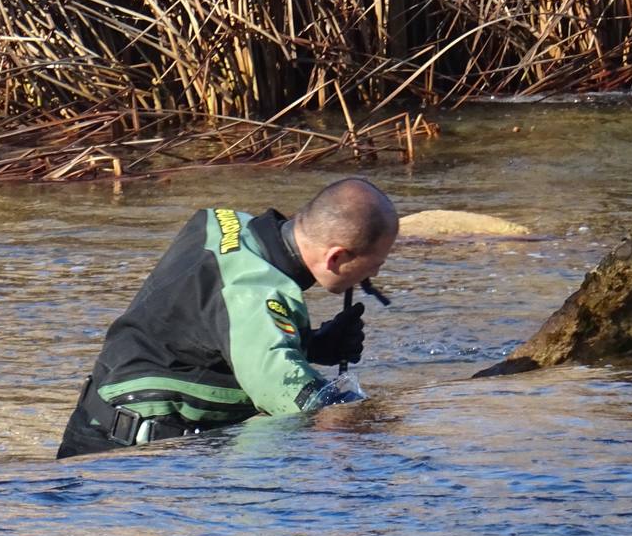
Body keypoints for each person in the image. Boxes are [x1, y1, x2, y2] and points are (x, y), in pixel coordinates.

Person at [56, 177, 398, 458]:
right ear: (336, 257)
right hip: (127, 462)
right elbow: (296, 399)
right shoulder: (255, 292)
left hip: (98, 420)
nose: (375, 272)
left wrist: (309, 345)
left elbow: (207, 327)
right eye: (375, 264)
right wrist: (372, 422)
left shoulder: (227, 224)